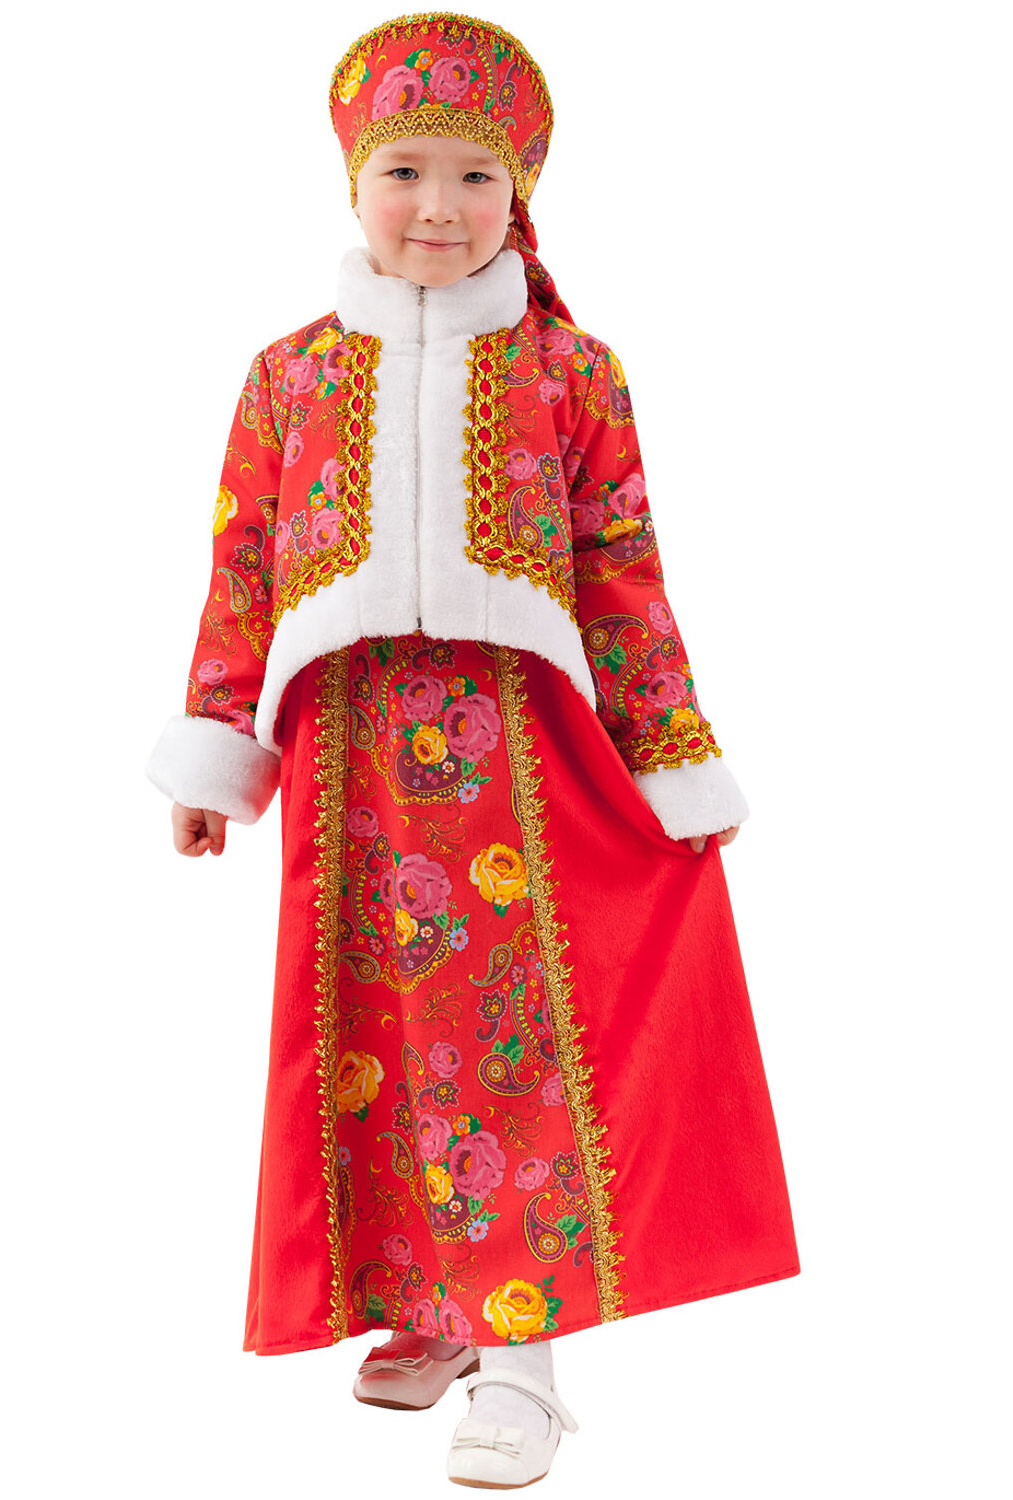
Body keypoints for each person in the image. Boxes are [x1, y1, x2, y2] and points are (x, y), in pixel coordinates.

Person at [144, 11, 800, 1489]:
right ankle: (432, 1307)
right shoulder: (289, 375)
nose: (437, 208)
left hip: (528, 758)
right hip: (351, 766)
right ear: (352, 183)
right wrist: (218, 750)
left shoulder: (574, 372)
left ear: (521, 194)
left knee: (515, 1039)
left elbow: (621, 573)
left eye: (475, 178)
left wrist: (671, 754)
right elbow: (243, 567)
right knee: (374, 1040)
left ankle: (523, 1359)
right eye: (405, 172)